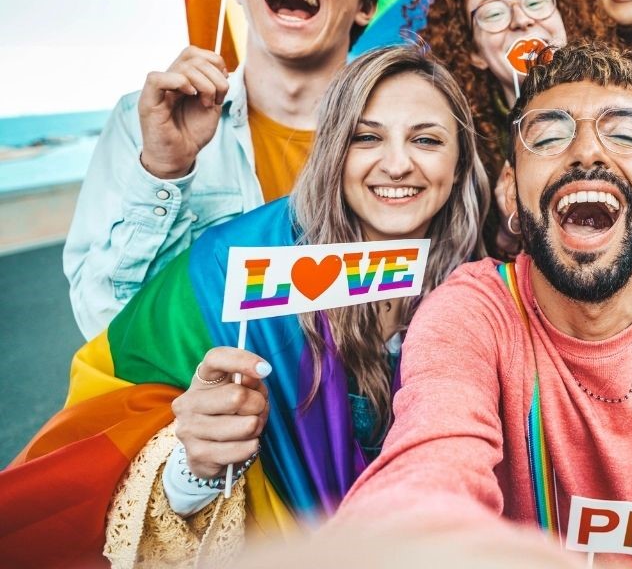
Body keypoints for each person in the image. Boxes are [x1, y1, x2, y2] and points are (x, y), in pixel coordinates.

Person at [0, 47, 489, 569]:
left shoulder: (485, 289)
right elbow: (109, 409)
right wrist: (193, 466)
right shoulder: (227, 266)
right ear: (333, 153)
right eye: (365, 137)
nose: (396, 163)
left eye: (427, 139)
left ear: (460, 162)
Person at [334, 42, 632, 564]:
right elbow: (431, 460)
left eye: (626, 133)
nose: (587, 152)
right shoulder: (469, 314)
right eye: (549, 135)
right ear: (514, 189)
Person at [65, 0, 389, 339]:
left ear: (366, 4)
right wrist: (163, 172)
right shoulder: (145, 124)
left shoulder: (404, 147)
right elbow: (106, 323)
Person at [409, 0, 615, 258]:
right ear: (475, 52)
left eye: (535, 1)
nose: (521, 19)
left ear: (563, 19)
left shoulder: (622, 107)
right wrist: (506, 233)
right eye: (493, 13)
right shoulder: (461, 154)